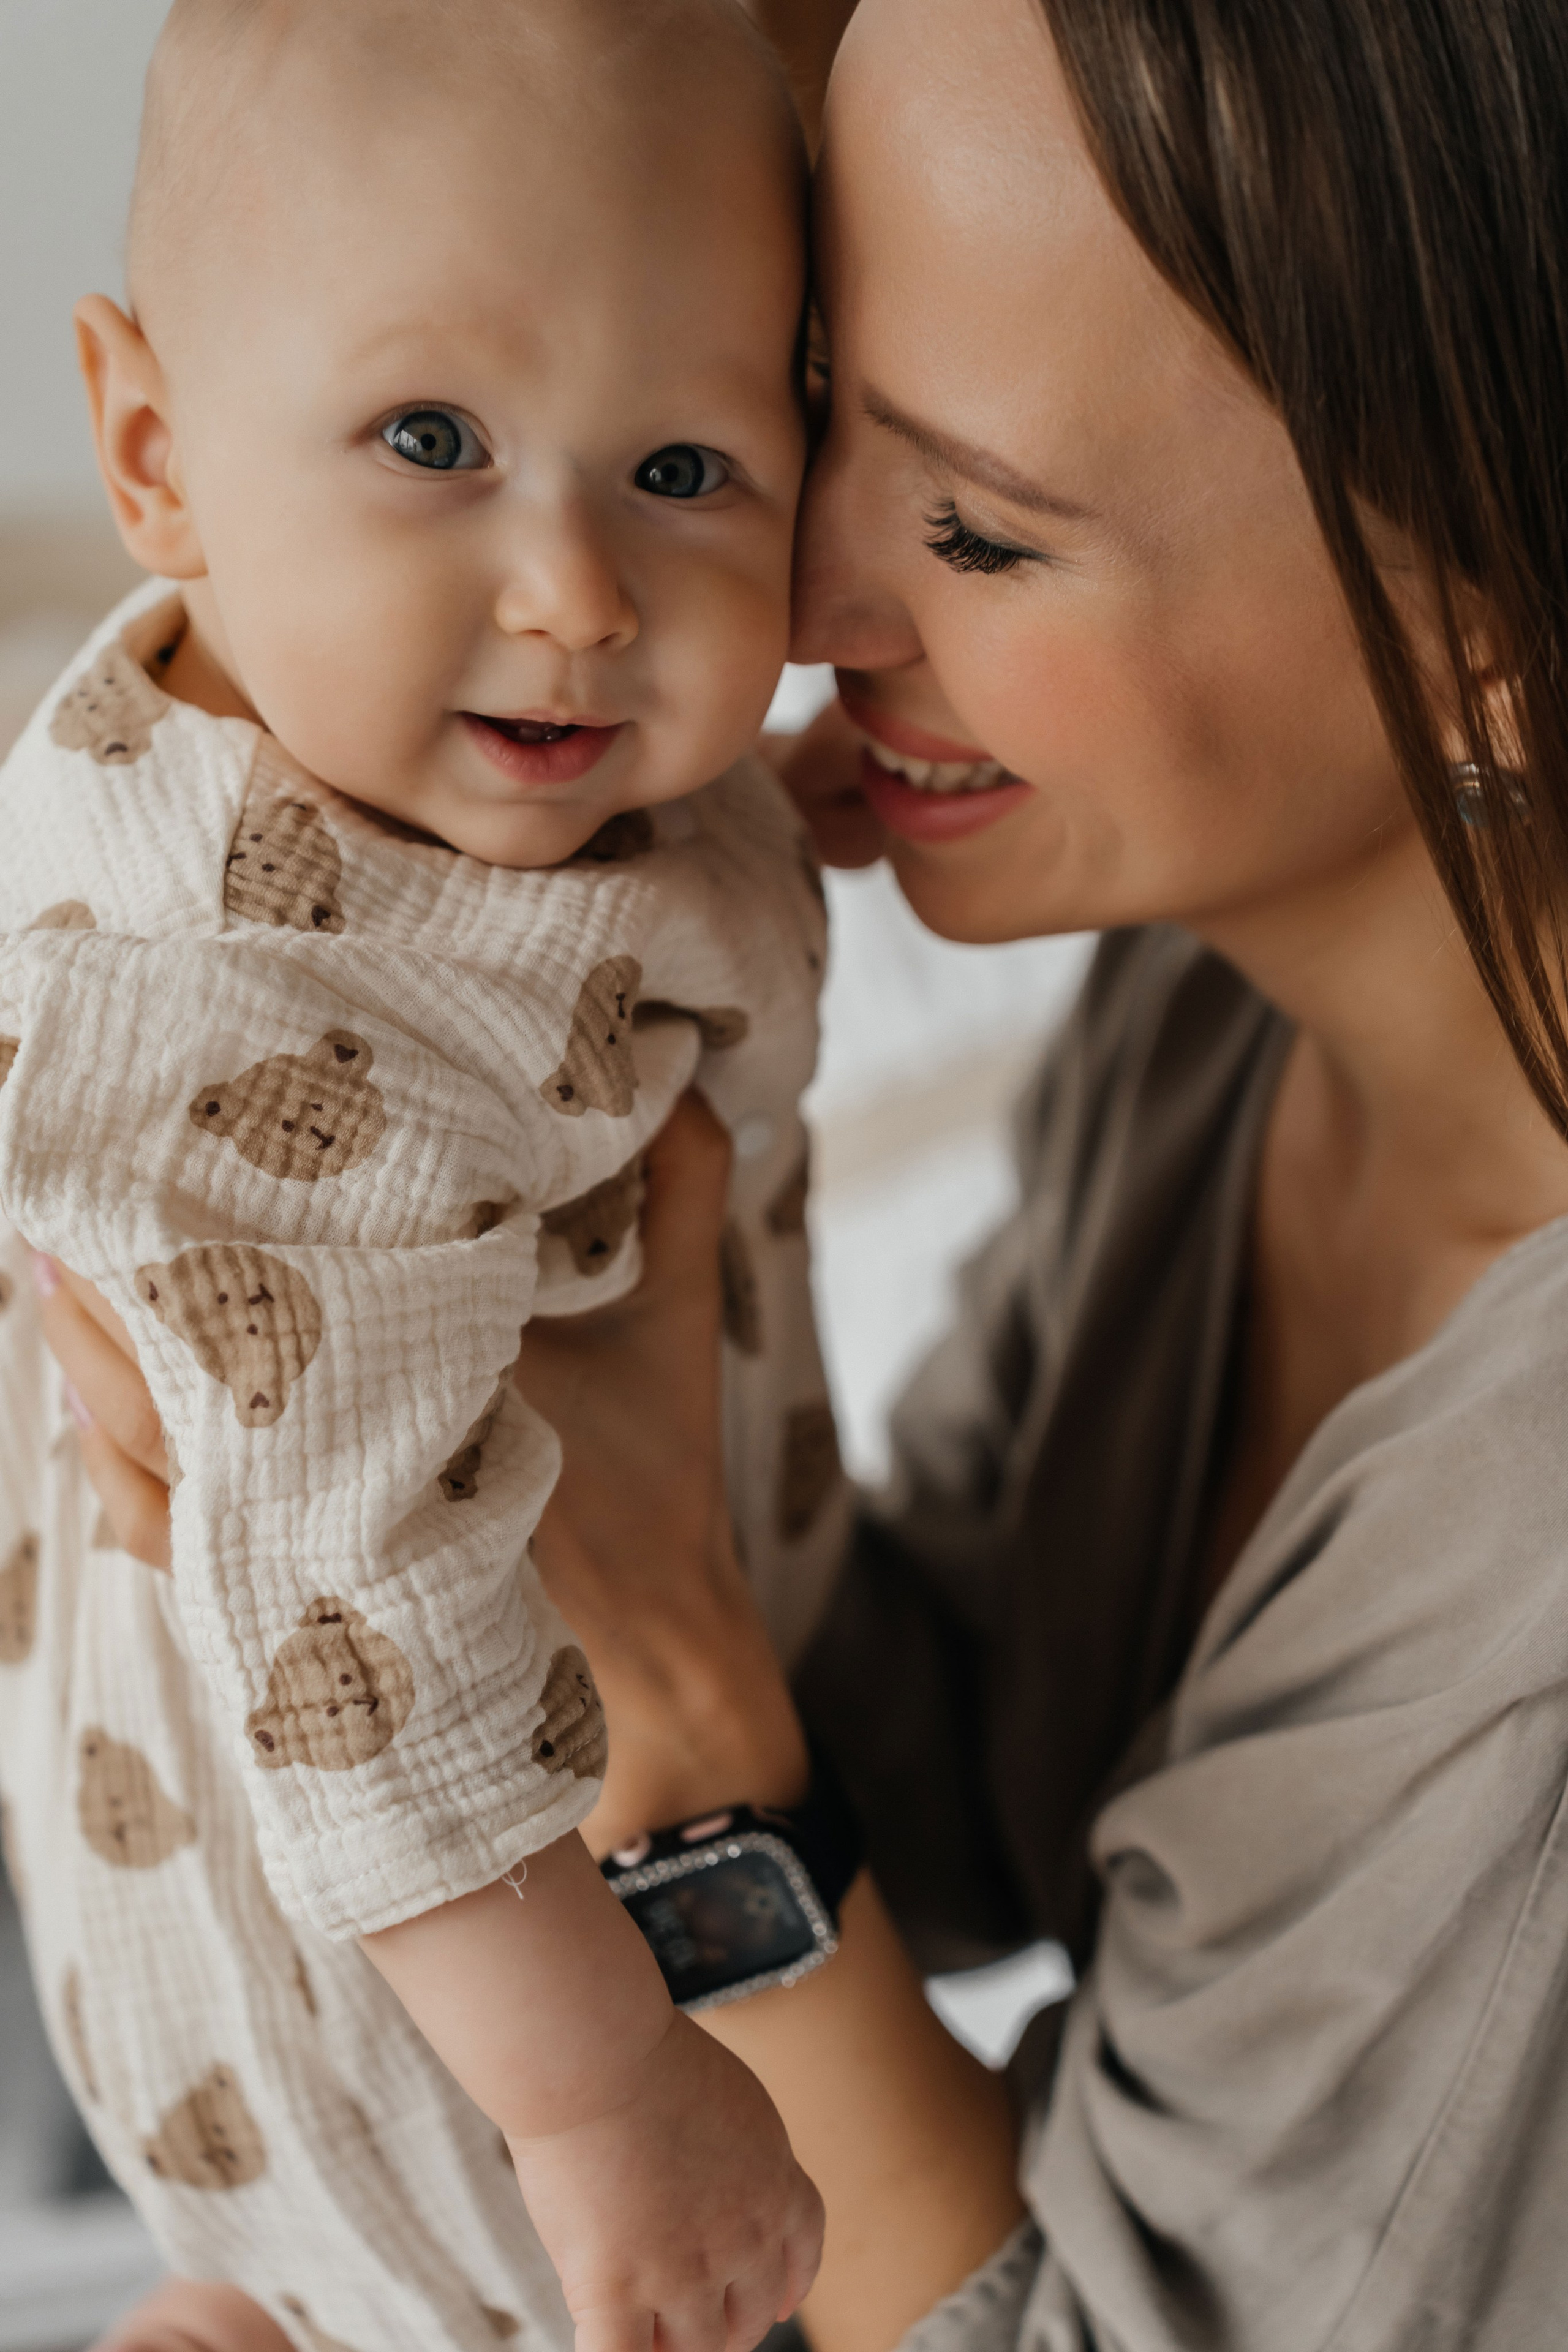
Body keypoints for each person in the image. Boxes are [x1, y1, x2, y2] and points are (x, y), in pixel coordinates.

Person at [43, 0, 1568, 2345]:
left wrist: (663, 1682)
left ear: (1491, 643)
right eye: (827, 410)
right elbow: (961, 1772)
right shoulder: (1207, 1024)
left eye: (974, 527)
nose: (802, 617)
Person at [0, 2, 837, 2346]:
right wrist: (598, 2112)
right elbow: (353, 1622)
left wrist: (819, 795)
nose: (574, 584)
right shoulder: (269, 1007)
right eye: (435, 439)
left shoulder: (447, 770)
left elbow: (650, 882)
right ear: (156, 453)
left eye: (687, 466)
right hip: (446, 1979)